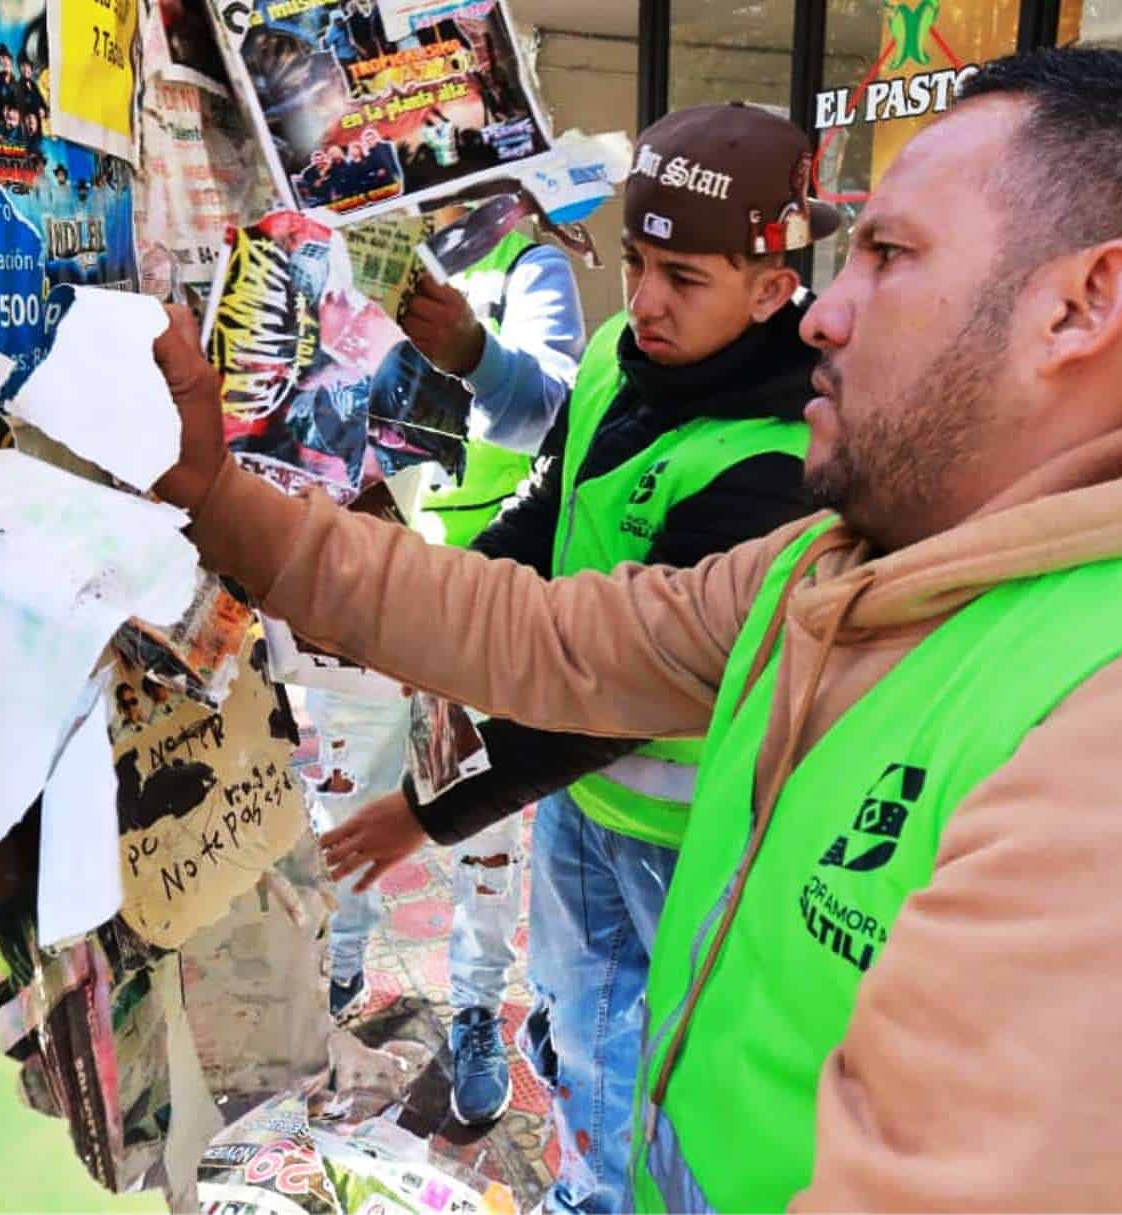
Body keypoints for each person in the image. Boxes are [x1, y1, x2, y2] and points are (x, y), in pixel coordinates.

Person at [148, 48, 1122, 1211]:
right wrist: (221, 501)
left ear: (1080, 305)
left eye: (889, 255)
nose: (817, 312)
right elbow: (551, 634)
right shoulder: (859, 565)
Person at [328, 104, 831, 1213]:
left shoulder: (779, 458)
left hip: (692, 841)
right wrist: (425, 608)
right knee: (583, 1030)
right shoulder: (615, 356)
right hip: (578, 805)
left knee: (673, 1079)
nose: (644, 301)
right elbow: (545, 524)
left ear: (770, 287)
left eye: (683, 278)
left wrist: (427, 813)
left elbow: (611, 700)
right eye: (637, 263)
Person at [304, 202, 586, 1134]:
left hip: (476, 605)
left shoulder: (525, 263)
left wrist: (474, 350)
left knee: (482, 827)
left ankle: (474, 1010)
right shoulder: (340, 241)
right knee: (344, 802)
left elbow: (559, 410)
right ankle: (336, 971)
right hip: (361, 600)